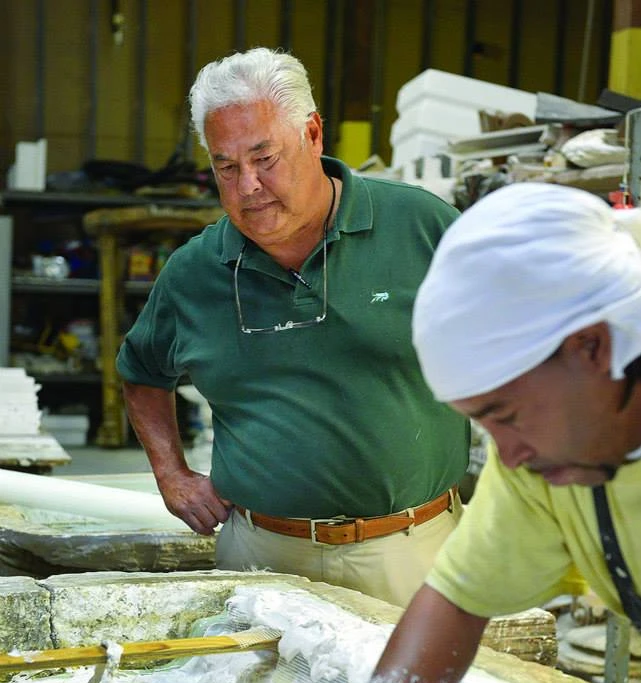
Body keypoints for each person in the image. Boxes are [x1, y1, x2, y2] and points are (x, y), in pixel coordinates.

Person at [285, 181, 641, 683]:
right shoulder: (550, 456)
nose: (503, 456)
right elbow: (455, 597)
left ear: (591, 347)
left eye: (505, 414)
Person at [115, 47, 469, 609]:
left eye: (264, 158)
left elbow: (521, 342)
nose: (247, 186)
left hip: (411, 553)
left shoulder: (422, 228)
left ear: (312, 133)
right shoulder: (195, 272)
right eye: (225, 167)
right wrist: (172, 474)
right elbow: (140, 371)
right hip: (260, 556)